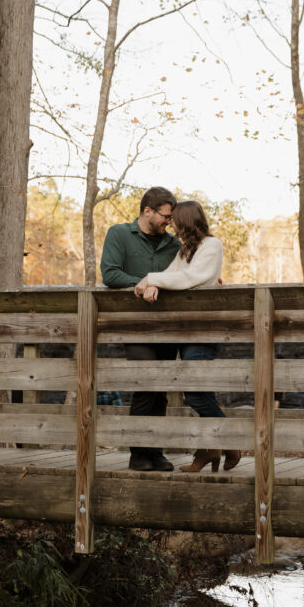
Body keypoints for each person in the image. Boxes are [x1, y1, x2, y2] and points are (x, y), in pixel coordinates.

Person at [134, 199, 241, 473]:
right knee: (198, 390)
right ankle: (209, 449)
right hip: (187, 330)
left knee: (195, 392)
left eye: (175, 220)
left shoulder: (211, 246)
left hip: (204, 329)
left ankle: (227, 442)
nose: (171, 224)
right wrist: (153, 283)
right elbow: (171, 275)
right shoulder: (186, 250)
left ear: (187, 220)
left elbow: (190, 278)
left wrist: (151, 278)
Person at [100, 186, 180, 471]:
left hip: (168, 328)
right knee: (147, 383)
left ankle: (155, 452)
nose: (169, 222)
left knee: (161, 391)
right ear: (148, 211)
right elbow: (110, 274)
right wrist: (147, 281)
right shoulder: (119, 234)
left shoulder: (174, 245)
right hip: (133, 326)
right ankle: (138, 453)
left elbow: (188, 274)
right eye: (165, 216)